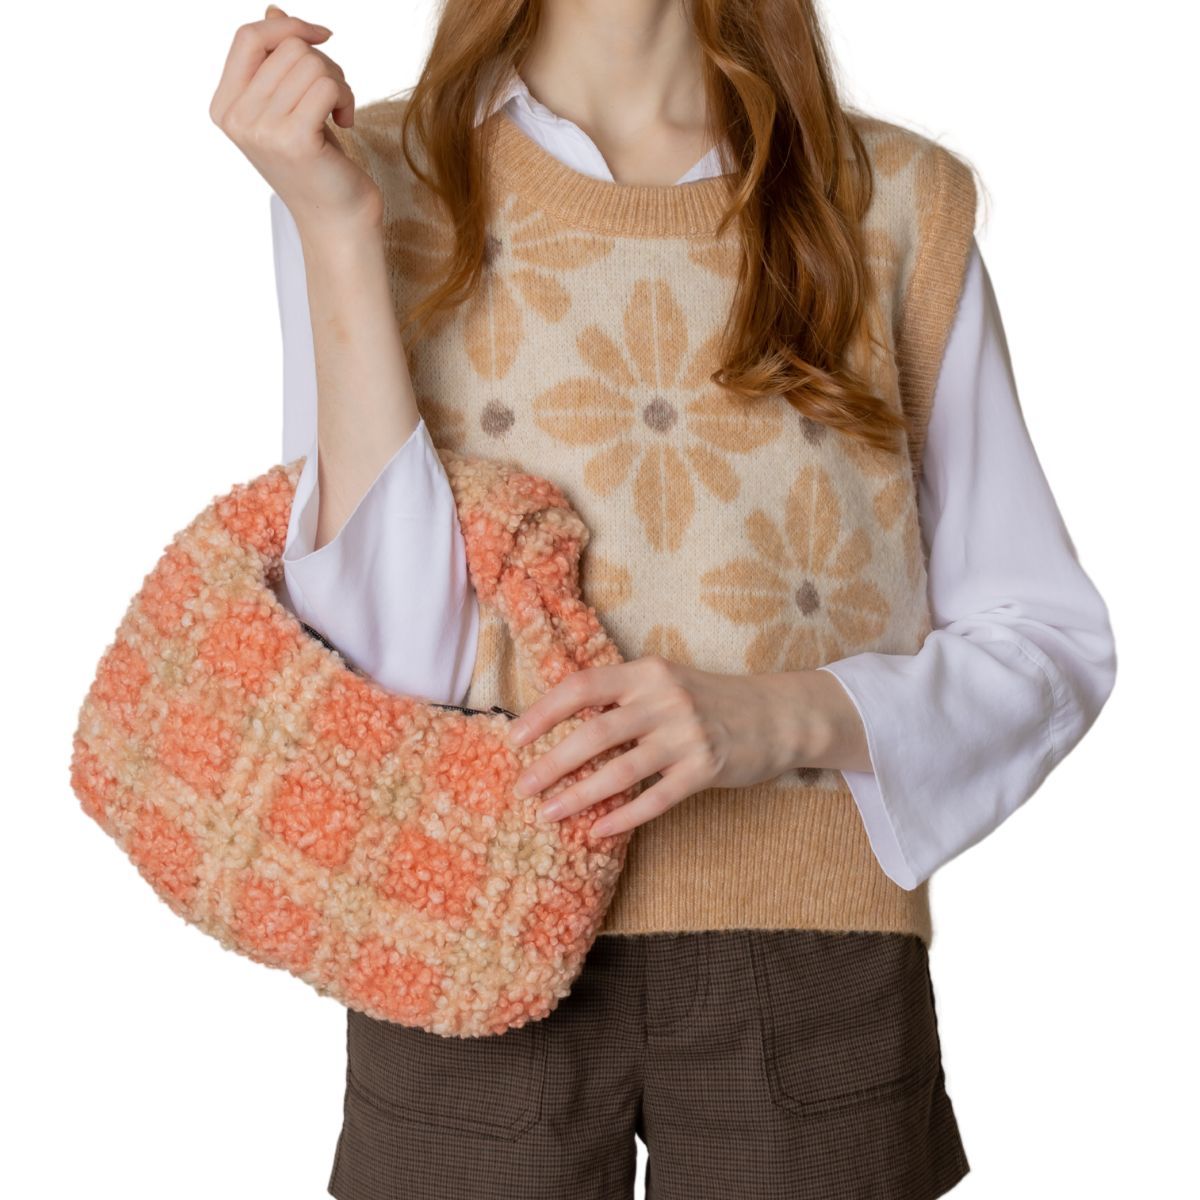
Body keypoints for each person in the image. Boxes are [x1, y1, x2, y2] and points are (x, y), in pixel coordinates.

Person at [210, 3, 1117, 1197]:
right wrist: (333, 229)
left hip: (810, 963)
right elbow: (385, 663)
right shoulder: (362, 177)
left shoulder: (893, 201)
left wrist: (779, 716)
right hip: (460, 932)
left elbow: (1046, 643)